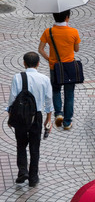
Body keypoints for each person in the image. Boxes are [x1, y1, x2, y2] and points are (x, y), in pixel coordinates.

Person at [7, 52, 53, 187]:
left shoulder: (17, 77)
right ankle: (33, 177)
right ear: (39, 63)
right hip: (37, 115)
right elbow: (49, 100)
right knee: (35, 146)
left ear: (24, 63)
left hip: (21, 115)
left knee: (21, 144)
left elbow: (13, 98)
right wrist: (48, 119)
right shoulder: (44, 79)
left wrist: (10, 116)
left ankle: (22, 171)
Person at [38, 10, 80, 131]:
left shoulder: (48, 32)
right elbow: (76, 49)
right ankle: (67, 122)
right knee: (69, 94)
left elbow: (40, 49)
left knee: (56, 91)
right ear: (67, 17)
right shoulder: (73, 32)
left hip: (54, 67)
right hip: (69, 67)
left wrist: (50, 59)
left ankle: (58, 114)